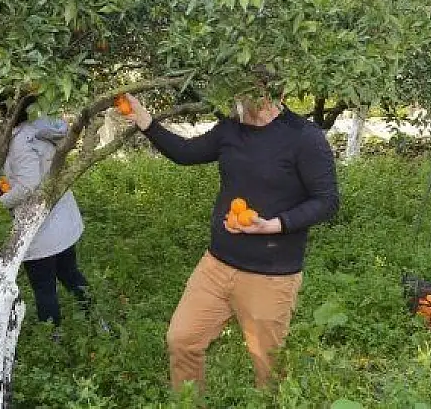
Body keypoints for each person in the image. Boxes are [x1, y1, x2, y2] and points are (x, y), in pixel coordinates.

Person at [118, 83, 339, 394]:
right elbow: (184, 153)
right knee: (182, 340)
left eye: (244, 92)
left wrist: (274, 225)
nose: (238, 101)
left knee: (268, 369)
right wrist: (144, 120)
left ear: (271, 92)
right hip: (217, 265)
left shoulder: (303, 137)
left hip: (270, 274)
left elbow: (327, 200)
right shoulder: (230, 129)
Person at [0, 97, 103, 339]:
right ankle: (98, 322)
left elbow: (27, 184)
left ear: (6, 114)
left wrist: (3, 200)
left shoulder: (20, 140)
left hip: (39, 227)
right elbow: (12, 164)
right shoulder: (35, 129)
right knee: (71, 274)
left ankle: (53, 342)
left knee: (44, 288)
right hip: (61, 223)